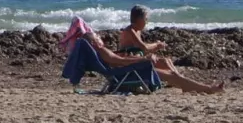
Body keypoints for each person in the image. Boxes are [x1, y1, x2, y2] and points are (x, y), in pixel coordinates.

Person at [85, 27, 224, 94]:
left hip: (128, 71)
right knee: (171, 75)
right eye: (97, 36)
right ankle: (208, 89)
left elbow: (120, 59)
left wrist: (140, 58)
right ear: (94, 43)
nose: (100, 37)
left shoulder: (100, 51)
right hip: (130, 72)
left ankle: (197, 86)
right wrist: (144, 59)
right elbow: (122, 61)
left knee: (171, 74)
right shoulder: (102, 50)